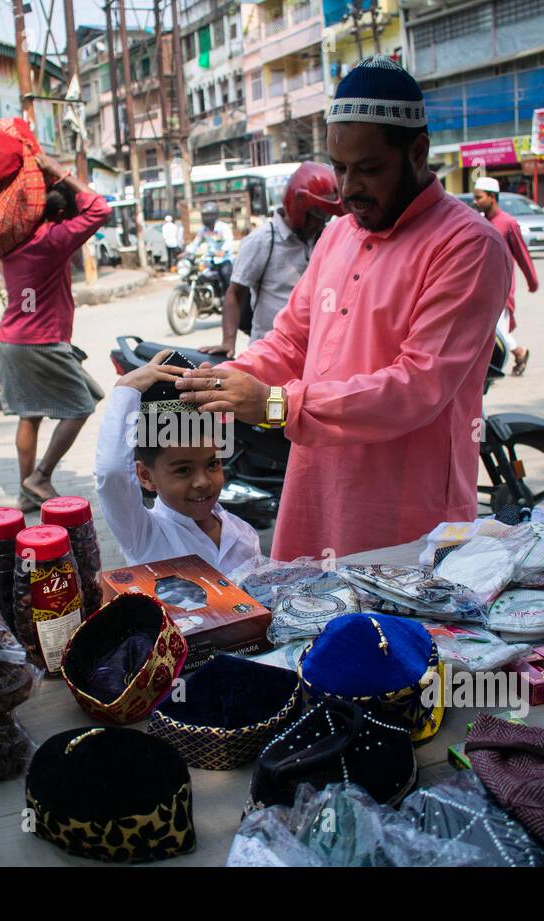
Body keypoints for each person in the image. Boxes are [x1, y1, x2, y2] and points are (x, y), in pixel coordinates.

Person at [176, 56, 512, 561]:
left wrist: (273, 403)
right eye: (339, 168)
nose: (349, 187)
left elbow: (417, 387)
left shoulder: (468, 246)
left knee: (392, 638)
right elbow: (292, 340)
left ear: (417, 152)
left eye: (369, 169)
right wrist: (218, 382)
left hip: (404, 515)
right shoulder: (338, 234)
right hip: (315, 490)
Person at [0, 151, 109, 512]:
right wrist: (56, 171)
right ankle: (40, 476)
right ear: (61, 216)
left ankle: (25, 492)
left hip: (12, 340)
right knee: (80, 405)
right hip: (41, 341)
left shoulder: (10, 242)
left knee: (29, 414)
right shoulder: (52, 240)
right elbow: (100, 210)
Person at [95, 351, 262, 573]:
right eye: (183, 470)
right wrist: (127, 388)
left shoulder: (243, 534)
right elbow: (112, 474)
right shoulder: (146, 535)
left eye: (213, 464)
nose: (202, 482)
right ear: (146, 476)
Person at [201, 162, 342, 357]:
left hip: (312, 352)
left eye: (326, 217)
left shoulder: (323, 237)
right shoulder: (262, 240)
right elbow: (235, 293)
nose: (321, 223)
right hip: (270, 353)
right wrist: (228, 342)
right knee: (273, 390)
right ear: (298, 206)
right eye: (318, 215)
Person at [473, 175, 538, 375]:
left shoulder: (508, 223)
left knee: (495, 331)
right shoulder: (480, 222)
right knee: (487, 329)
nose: (475, 202)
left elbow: (522, 255)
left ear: (492, 197)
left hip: (502, 288)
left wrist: (532, 281)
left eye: (479, 197)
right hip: (482, 287)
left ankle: (518, 353)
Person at [185, 202, 235, 294]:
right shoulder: (204, 230)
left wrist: (223, 251)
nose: (205, 218)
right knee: (198, 275)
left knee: (225, 275)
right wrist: (186, 252)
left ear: (214, 215)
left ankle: (228, 298)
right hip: (209, 261)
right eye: (204, 216)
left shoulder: (223, 228)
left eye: (208, 215)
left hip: (223, 260)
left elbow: (229, 240)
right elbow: (196, 243)